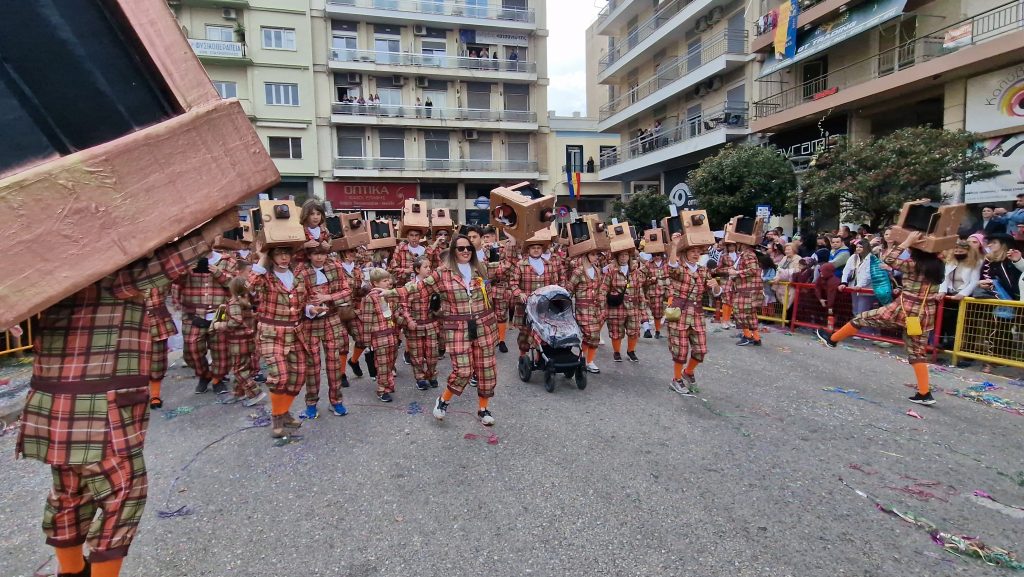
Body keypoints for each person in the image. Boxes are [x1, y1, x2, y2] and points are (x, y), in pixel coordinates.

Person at [13, 211, 236, 577]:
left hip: (50, 405)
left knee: (69, 493)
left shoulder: (49, 278)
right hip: (98, 410)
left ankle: (70, 571)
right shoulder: (111, 274)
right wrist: (219, 221)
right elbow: (169, 261)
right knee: (124, 494)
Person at [817, 231, 945, 405]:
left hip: (904, 309)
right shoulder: (939, 264)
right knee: (917, 353)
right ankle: (924, 393)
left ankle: (832, 339)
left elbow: (887, 260)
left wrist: (906, 242)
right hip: (925, 313)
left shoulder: (914, 264)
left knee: (861, 318)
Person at [397, 234, 500, 426]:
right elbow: (418, 288)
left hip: (483, 326)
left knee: (486, 370)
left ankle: (483, 409)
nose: (465, 251)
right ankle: (443, 401)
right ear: (453, 251)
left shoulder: (481, 269)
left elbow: (506, 268)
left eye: (468, 248)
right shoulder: (442, 273)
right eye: (460, 248)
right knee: (463, 371)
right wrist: (390, 293)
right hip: (458, 328)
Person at [249, 246, 311, 439]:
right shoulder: (265, 276)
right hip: (271, 333)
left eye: (287, 253)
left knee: (299, 376)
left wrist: (311, 309)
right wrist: (262, 258)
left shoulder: (298, 276)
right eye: (278, 254)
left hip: (295, 332)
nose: (284, 257)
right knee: (280, 377)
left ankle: (283, 411)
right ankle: (277, 418)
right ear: (271, 256)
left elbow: (303, 303)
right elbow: (249, 287)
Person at [298, 246, 353, 417]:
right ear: (309, 255)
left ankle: (336, 401)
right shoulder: (302, 271)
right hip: (310, 324)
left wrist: (328, 297)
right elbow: (296, 298)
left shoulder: (335, 267)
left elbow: (347, 291)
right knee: (312, 366)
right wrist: (309, 309)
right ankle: (311, 404)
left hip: (332, 320)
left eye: (322, 254)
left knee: (333, 364)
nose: (319, 257)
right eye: (316, 254)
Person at [666, 234, 722, 394]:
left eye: (698, 251)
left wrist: (716, 286)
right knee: (680, 350)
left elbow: (717, 294)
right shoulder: (678, 268)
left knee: (701, 350)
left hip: (697, 314)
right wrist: (675, 244)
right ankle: (676, 380)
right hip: (679, 313)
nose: (696, 254)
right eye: (692, 251)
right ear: (685, 253)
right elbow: (671, 265)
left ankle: (688, 372)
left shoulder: (704, 271)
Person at [173, 251, 232, 394]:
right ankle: (205, 375)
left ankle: (218, 380)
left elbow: (236, 284)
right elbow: (173, 283)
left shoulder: (227, 260)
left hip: (220, 312)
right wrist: (183, 272)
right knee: (191, 351)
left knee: (222, 351)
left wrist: (219, 273)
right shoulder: (183, 260)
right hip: (192, 313)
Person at [359, 268, 413, 403]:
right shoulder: (369, 299)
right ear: (375, 283)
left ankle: (388, 383)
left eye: (388, 279)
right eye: (384, 280)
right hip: (379, 336)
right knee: (382, 363)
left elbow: (395, 315)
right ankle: (381, 389)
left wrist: (406, 322)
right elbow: (366, 320)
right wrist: (366, 341)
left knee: (391, 360)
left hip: (392, 334)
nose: (388, 282)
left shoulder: (390, 296)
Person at [212, 276, 266, 406]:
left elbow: (236, 320)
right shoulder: (247, 301)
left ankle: (255, 393)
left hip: (238, 341)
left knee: (238, 370)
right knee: (243, 366)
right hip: (248, 339)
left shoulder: (234, 302)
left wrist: (221, 325)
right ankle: (239, 393)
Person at [510, 233, 563, 359]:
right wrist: (519, 293)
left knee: (543, 333)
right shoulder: (521, 264)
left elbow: (554, 284)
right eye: (533, 248)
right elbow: (513, 283)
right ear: (528, 249)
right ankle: (522, 357)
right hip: (526, 306)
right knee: (525, 334)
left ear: (542, 249)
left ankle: (540, 358)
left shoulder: (549, 264)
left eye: (538, 248)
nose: (536, 250)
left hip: (544, 306)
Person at [603, 244, 649, 362]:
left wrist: (643, 308)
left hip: (633, 306)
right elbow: (604, 289)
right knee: (616, 330)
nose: (623, 257)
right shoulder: (611, 272)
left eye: (626, 255)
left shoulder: (635, 272)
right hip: (616, 306)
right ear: (617, 257)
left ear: (629, 257)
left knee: (634, 330)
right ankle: (616, 352)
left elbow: (640, 291)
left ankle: (631, 351)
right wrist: (601, 307)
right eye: (621, 255)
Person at [566, 248, 607, 373]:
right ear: (586, 256)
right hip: (582, 308)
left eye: (597, 255)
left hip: (596, 308)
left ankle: (587, 361)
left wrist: (602, 301)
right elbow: (569, 290)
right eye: (593, 255)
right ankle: (585, 360)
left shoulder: (597, 271)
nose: (596, 257)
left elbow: (600, 289)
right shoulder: (578, 272)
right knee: (591, 334)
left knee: (594, 338)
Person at [404, 256, 441, 390]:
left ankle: (431, 375)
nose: (429, 270)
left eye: (429, 267)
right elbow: (404, 307)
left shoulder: (433, 285)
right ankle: (420, 378)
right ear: (417, 269)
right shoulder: (409, 287)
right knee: (417, 356)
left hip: (431, 325)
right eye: (425, 267)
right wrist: (409, 320)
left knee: (432, 355)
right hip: (416, 326)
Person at [937, 240, 982, 350]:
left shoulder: (976, 262)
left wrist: (963, 294)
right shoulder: (950, 261)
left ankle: (961, 348)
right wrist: (942, 291)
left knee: (962, 323)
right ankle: (944, 344)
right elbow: (945, 278)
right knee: (946, 320)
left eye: (961, 251)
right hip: (950, 293)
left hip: (965, 295)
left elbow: (974, 281)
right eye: (956, 250)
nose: (958, 252)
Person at [725, 240, 764, 346]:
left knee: (740, 313)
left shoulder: (748, 254)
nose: (736, 244)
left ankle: (747, 337)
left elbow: (753, 270)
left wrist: (736, 272)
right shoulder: (745, 254)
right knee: (750, 315)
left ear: (743, 244)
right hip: (747, 289)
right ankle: (756, 338)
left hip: (747, 289)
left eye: (737, 243)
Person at [144, 287, 176, 410]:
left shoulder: (159, 274)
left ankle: (155, 395)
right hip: (132, 321)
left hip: (158, 322)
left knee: (157, 361)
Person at [840, 239, 875, 321]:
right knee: (855, 311)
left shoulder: (872, 258)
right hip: (854, 288)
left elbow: (868, 274)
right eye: (857, 247)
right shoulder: (853, 257)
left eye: (861, 247)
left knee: (863, 312)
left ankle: (864, 333)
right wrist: (844, 282)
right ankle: (857, 332)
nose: (858, 248)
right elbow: (846, 270)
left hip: (866, 289)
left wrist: (860, 285)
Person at [643, 247, 670, 338]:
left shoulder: (667, 263)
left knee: (667, 310)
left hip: (667, 289)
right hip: (653, 290)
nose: (657, 257)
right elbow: (643, 278)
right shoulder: (648, 264)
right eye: (654, 255)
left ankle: (661, 331)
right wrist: (650, 280)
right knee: (655, 311)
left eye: (658, 254)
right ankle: (655, 330)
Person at [296, 199, 332, 265]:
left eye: (318, 214)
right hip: (303, 266)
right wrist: (304, 245)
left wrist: (328, 247)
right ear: (306, 215)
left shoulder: (325, 231)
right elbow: (291, 251)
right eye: (312, 214)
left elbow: (331, 248)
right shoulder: (299, 231)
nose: (316, 217)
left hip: (321, 266)